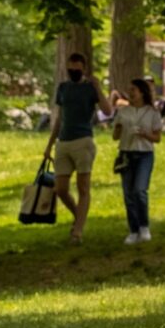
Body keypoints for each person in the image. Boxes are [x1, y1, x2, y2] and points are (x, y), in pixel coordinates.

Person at [43, 52, 113, 245]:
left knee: (83, 187)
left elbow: (108, 111)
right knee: (60, 188)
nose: (73, 71)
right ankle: (79, 216)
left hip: (83, 141)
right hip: (63, 142)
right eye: (70, 68)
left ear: (83, 68)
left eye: (76, 68)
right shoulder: (63, 88)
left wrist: (98, 87)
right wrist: (49, 145)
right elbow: (59, 118)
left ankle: (77, 232)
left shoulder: (90, 88)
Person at [110, 76, 164, 244]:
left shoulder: (152, 112)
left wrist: (145, 134)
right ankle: (133, 230)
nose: (130, 93)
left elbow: (157, 138)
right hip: (126, 153)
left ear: (142, 92)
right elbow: (115, 137)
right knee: (128, 194)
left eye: (133, 90)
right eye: (130, 90)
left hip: (144, 154)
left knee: (140, 190)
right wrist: (118, 129)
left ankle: (144, 226)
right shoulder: (123, 112)